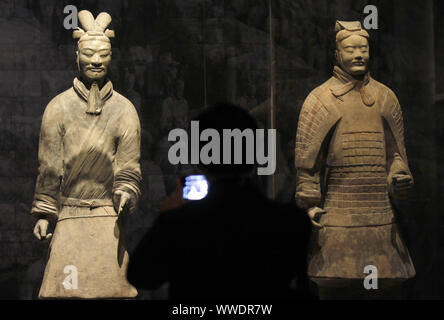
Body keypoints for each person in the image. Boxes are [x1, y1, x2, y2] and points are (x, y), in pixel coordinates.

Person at [127, 103, 312, 300]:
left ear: (200, 158)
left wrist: (167, 214)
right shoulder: (291, 221)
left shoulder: (179, 224)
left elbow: (142, 275)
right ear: (256, 155)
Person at [294, 21, 415, 299]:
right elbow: (307, 163)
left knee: (381, 292)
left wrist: (399, 178)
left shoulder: (386, 97)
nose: (358, 54)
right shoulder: (320, 99)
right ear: (337, 54)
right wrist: (310, 205)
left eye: (363, 48)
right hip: (337, 217)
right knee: (335, 288)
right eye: (350, 49)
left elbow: (396, 155)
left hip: (381, 219)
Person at [31, 10, 141, 298]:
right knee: (64, 294)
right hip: (69, 217)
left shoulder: (124, 110)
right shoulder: (58, 108)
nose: (96, 60)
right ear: (76, 56)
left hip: (107, 221)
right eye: (89, 53)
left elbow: (129, 166)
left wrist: (126, 191)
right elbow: (49, 167)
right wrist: (45, 212)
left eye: (103, 54)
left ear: (111, 58)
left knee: (112, 294)